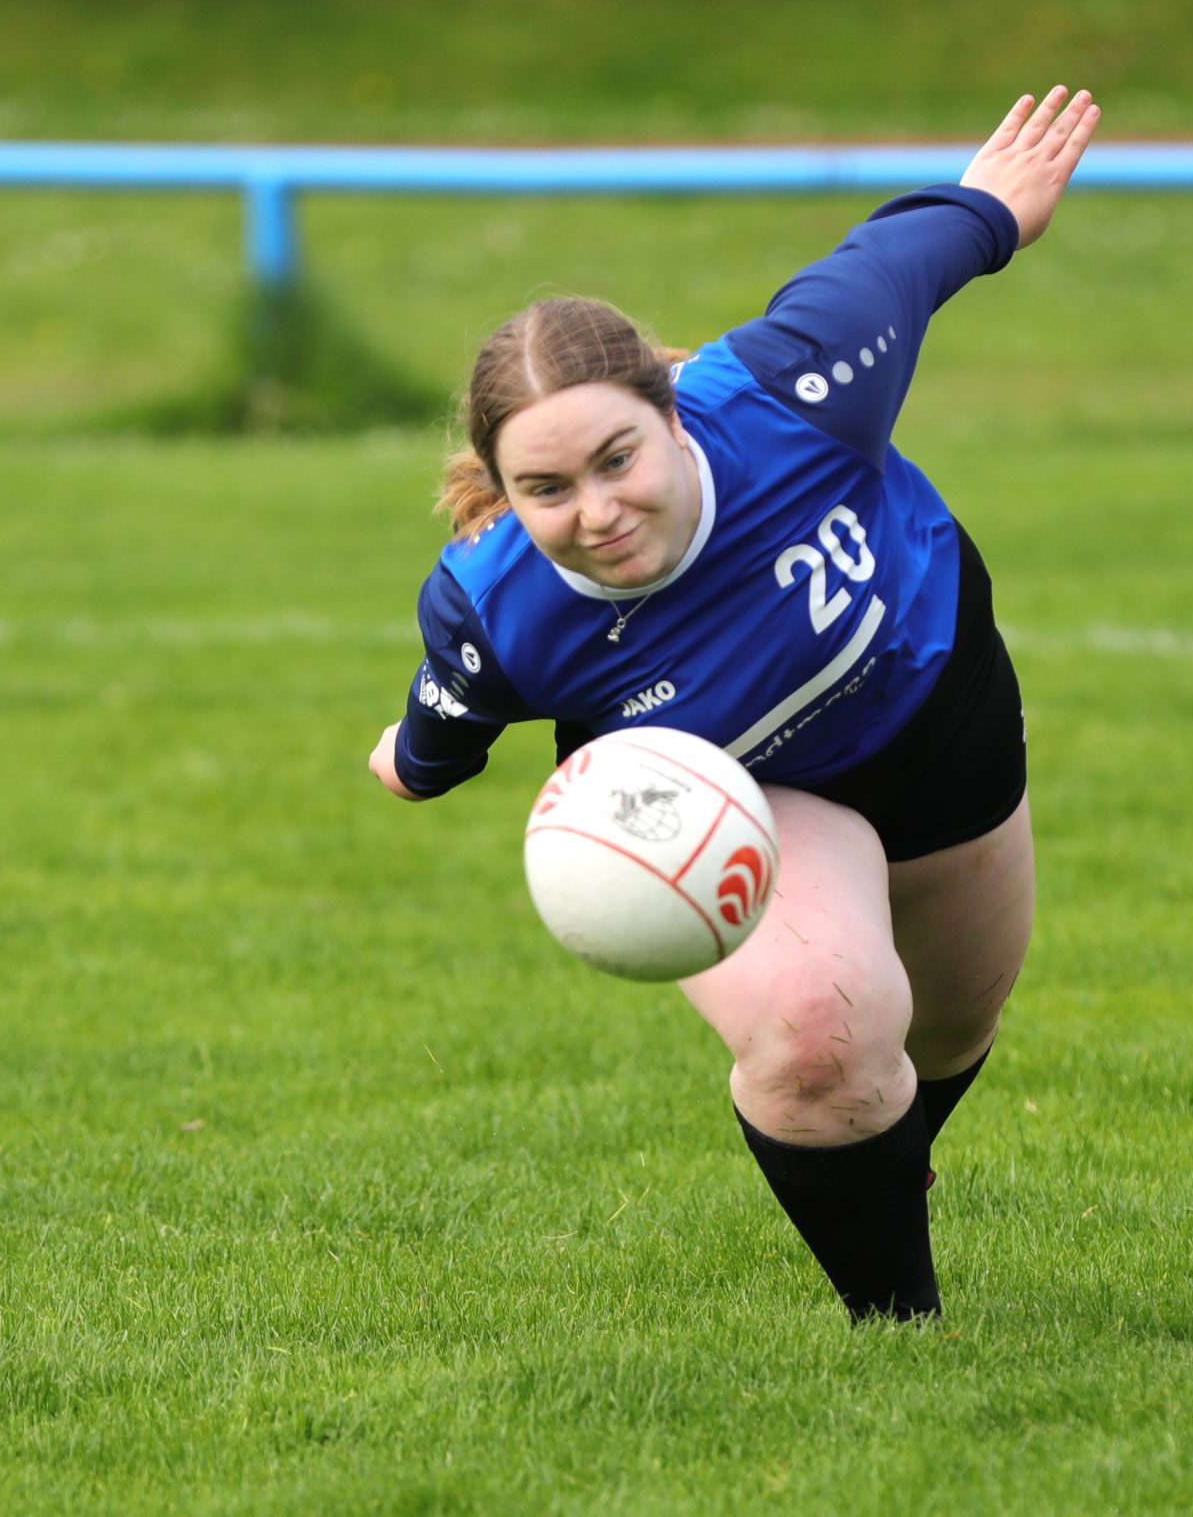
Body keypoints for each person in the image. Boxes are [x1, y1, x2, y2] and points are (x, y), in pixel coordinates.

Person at [367, 86, 1102, 1321]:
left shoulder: (797, 384)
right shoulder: (494, 607)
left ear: (672, 405)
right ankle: (902, 1334)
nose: (594, 512)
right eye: (542, 487)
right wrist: (408, 759)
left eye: (617, 460)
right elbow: (435, 743)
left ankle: (882, 1159)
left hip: (939, 714)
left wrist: (992, 207)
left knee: (945, 1034)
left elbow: (914, 250)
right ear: (497, 489)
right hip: (743, 796)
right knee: (824, 1037)